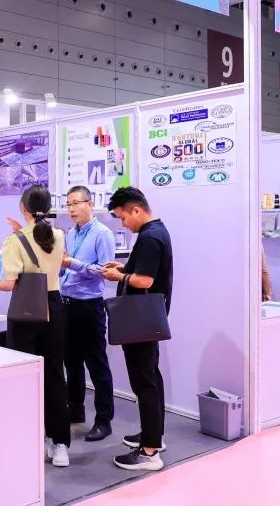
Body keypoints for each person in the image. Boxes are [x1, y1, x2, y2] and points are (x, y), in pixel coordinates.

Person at [0, 184, 72, 468]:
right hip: (54, 307)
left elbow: (9, 283)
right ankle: (60, 444)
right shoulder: (58, 235)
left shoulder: (14, 241)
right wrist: (20, 231)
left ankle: (28, 438)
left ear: (23, 208)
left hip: (25, 310)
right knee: (55, 375)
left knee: (24, 376)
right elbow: (43, 247)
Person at [100, 187, 172, 472]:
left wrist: (119, 276)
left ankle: (149, 453)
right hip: (147, 319)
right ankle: (154, 436)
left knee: (144, 383)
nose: (123, 224)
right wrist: (123, 268)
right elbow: (143, 272)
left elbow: (145, 281)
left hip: (140, 320)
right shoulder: (155, 231)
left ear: (136, 210)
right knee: (151, 377)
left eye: (123, 218)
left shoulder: (150, 237)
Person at [59, 185, 116, 442]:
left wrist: (72, 263)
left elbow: (105, 271)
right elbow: (67, 267)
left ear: (89, 204)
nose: (71, 209)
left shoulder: (102, 234)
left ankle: (104, 421)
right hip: (67, 303)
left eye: (76, 203)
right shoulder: (70, 234)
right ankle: (75, 410)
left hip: (90, 306)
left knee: (97, 364)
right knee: (71, 362)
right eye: (68, 204)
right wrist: (60, 267)